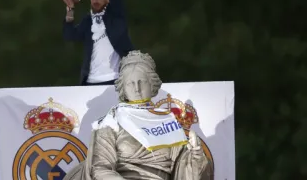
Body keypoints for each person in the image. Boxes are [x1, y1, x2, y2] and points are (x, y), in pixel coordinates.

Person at [63, 50, 213, 180]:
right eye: (130, 83)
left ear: (152, 84)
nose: (137, 88)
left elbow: (184, 172)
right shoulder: (111, 121)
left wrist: (196, 155)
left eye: (142, 82)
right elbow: (100, 169)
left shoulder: (168, 122)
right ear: (123, 87)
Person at [61, 0, 134, 86]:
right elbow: (70, 36)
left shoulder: (116, 15)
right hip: (90, 81)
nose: (95, 0)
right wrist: (70, 9)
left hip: (117, 80)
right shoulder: (88, 20)